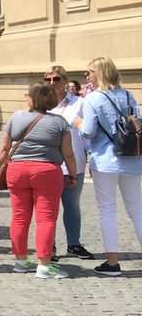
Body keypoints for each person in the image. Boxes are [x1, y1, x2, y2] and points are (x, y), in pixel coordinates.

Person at [0, 82, 79, 279]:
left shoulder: (15, 117)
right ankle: (43, 264)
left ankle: (21, 261)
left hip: (17, 170)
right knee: (46, 218)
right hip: (47, 171)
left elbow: (4, 148)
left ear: (33, 98)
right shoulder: (59, 122)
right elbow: (68, 154)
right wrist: (73, 174)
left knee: (19, 216)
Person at [78, 56, 142, 276]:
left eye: (89, 72)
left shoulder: (93, 98)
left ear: (99, 73)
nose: (86, 76)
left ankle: (112, 263)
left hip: (105, 159)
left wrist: (77, 124)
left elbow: (88, 131)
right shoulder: (129, 95)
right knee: (137, 210)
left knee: (107, 211)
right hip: (132, 158)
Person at [44, 65, 93, 260]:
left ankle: (74, 244)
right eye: (48, 80)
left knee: (72, 205)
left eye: (56, 79)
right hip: (49, 164)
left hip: (74, 163)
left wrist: (91, 159)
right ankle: (50, 245)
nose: (52, 83)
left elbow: (87, 134)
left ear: (65, 81)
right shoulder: (42, 104)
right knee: (49, 208)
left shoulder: (79, 104)